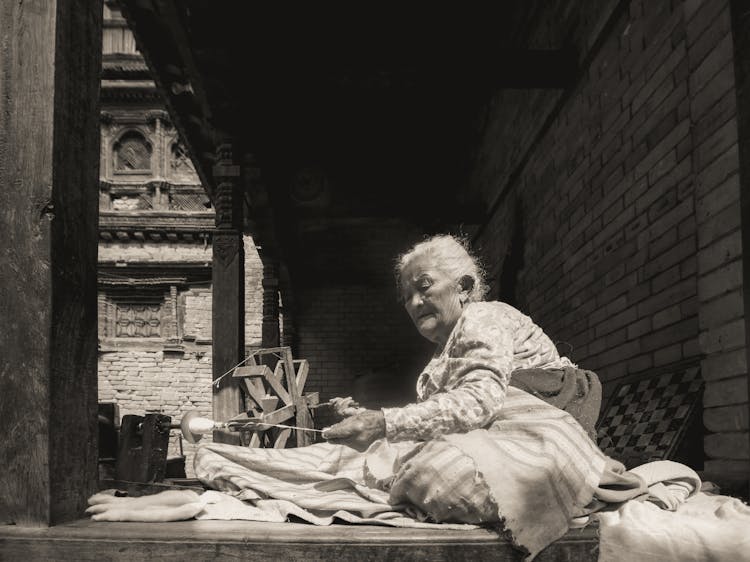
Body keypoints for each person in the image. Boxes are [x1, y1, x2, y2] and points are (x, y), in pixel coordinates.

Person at [89, 235, 645, 559]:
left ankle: (210, 497)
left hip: (535, 436)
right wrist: (370, 420)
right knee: (332, 458)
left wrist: (382, 425)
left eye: (424, 286)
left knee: (406, 467)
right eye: (407, 296)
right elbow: (445, 412)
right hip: (489, 434)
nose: (414, 302)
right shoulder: (446, 351)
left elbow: (477, 404)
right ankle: (207, 491)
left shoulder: (485, 319)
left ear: (466, 288)